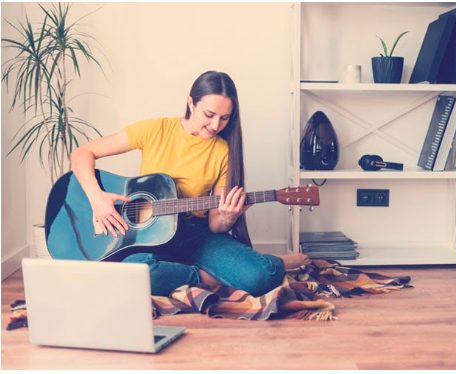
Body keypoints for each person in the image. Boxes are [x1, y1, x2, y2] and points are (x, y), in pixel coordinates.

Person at [71, 71, 310, 297]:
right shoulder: (155, 129)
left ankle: (274, 262)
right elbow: (83, 153)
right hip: (147, 236)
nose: (216, 125)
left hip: (194, 234)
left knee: (261, 277)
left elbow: (216, 224)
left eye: (225, 118)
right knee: (136, 272)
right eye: (209, 115)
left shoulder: (224, 151)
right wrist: (97, 198)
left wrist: (228, 217)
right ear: (190, 103)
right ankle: (207, 278)